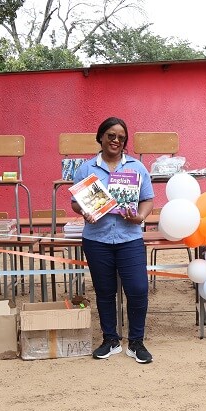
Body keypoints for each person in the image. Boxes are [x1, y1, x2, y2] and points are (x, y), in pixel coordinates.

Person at [71, 117, 155, 363]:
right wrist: (84, 211)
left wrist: (140, 216)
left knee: (138, 290)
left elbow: (148, 199)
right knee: (104, 291)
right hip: (97, 239)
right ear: (101, 137)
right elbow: (75, 202)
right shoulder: (86, 169)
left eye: (121, 137)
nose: (116, 140)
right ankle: (110, 339)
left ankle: (136, 342)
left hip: (129, 238)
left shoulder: (137, 168)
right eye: (111, 135)